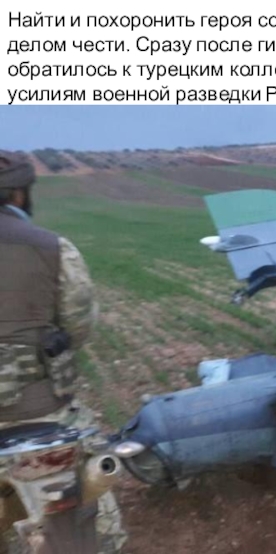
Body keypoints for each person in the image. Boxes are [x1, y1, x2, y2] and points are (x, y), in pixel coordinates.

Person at [0, 152, 126, 553]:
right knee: (83, 516)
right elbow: (78, 326)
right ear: (19, 195)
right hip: (40, 416)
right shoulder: (54, 249)